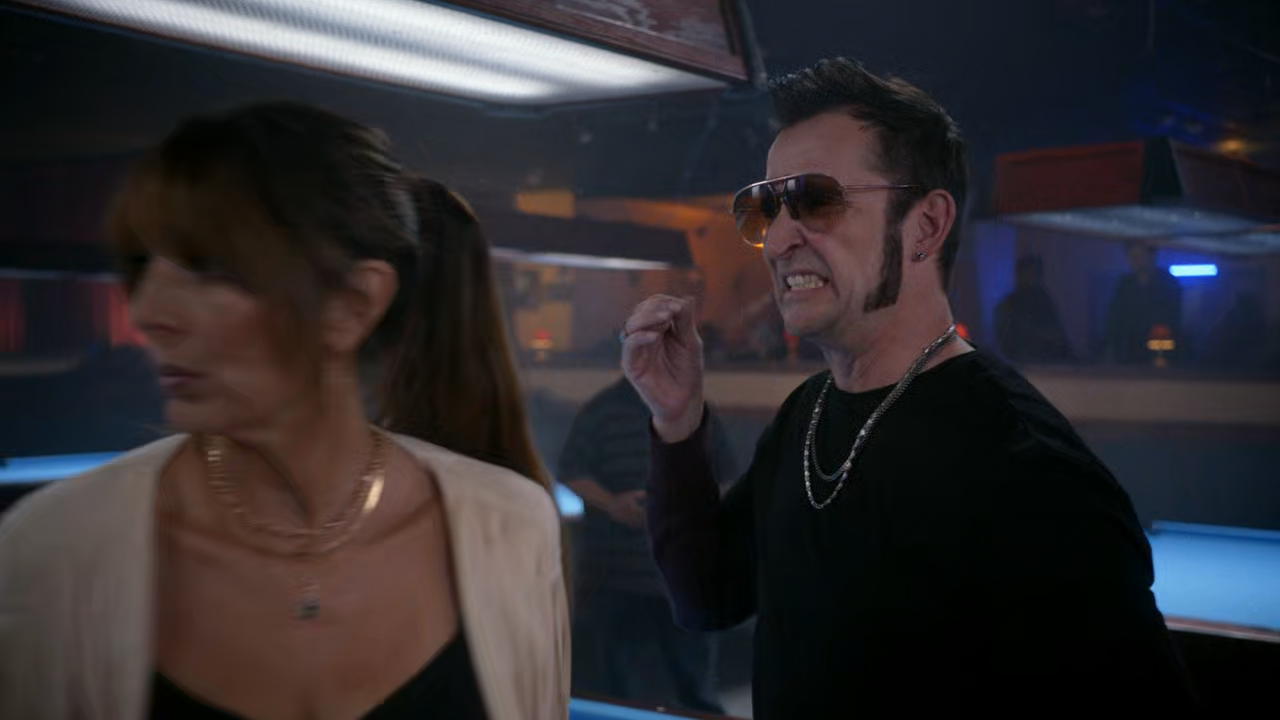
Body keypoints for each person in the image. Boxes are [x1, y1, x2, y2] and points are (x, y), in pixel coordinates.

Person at [620, 58, 1197, 716]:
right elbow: (707, 597)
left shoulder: (1029, 470)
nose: (776, 240)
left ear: (925, 226)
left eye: (814, 200)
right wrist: (677, 421)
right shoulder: (806, 414)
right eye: (764, 209)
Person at [0, 101, 569, 720]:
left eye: (209, 268)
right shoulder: (55, 546)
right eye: (144, 266)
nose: (146, 313)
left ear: (352, 304)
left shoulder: (510, 526)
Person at [561, 375, 736, 714]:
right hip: (620, 577)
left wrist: (690, 507)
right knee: (627, 692)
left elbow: (726, 476)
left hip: (686, 573)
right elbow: (571, 471)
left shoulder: (696, 410)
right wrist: (612, 504)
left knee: (697, 690)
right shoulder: (601, 411)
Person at [1100, 242, 1183, 365]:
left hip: (1160, 354)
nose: (1135, 261)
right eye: (1132, 257)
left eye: (1139, 256)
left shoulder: (1168, 283)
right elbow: (1114, 320)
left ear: (1151, 256)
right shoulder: (1124, 284)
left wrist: (1163, 355)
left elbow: (1172, 323)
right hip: (1127, 356)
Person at [993, 254, 1073, 363]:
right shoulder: (1009, 305)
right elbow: (1008, 341)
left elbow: (1058, 334)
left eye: (1036, 274)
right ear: (1020, 274)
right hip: (1021, 363)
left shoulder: (1045, 300)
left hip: (1050, 362)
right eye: (1030, 273)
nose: (1033, 278)